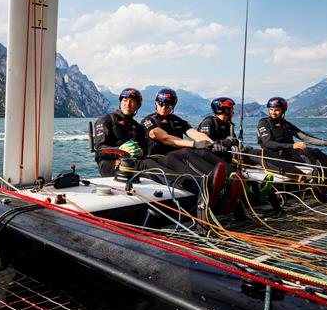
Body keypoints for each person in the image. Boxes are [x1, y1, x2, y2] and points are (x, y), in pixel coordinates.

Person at [93, 88, 234, 215]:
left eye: (132, 101)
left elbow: (142, 149)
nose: (127, 104)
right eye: (124, 100)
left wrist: (211, 144)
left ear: (138, 105)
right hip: (111, 163)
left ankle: (215, 183)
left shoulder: (137, 127)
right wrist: (120, 151)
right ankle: (199, 190)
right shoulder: (106, 120)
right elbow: (99, 150)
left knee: (163, 159)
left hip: (134, 163)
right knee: (149, 163)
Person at [143, 88, 245, 215]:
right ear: (156, 103)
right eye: (161, 103)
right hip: (159, 158)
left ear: (173, 105)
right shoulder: (149, 120)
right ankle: (207, 187)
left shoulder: (177, 120)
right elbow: (163, 137)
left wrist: (211, 144)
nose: (164, 107)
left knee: (201, 151)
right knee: (187, 151)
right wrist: (194, 144)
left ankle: (232, 178)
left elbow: (194, 133)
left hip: (177, 155)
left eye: (168, 105)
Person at [257, 97, 327, 195]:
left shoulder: (286, 124)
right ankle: (322, 183)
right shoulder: (264, 123)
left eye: (276, 110)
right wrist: (292, 146)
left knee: (316, 151)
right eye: (271, 110)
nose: (273, 113)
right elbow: (268, 143)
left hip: (289, 154)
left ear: (283, 111)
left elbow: (306, 137)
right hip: (275, 157)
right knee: (306, 152)